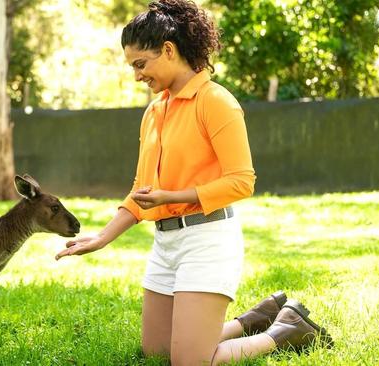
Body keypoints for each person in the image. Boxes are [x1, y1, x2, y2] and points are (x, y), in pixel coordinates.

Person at [55, 0, 333, 364]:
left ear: (168, 50)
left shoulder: (216, 101)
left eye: (141, 64)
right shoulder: (155, 111)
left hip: (207, 241)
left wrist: (174, 195)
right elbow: (143, 189)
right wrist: (102, 237)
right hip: (165, 244)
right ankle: (255, 318)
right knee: (156, 350)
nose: (137, 75)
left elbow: (242, 181)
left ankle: (286, 331)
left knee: (189, 361)